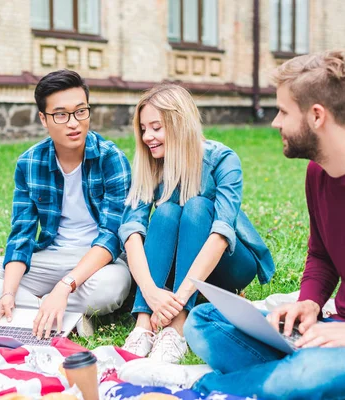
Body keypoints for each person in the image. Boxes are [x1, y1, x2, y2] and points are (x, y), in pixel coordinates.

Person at [118, 52, 345, 400]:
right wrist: (310, 303)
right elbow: (321, 255)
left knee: (305, 374)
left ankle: (194, 387)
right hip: (339, 331)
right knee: (205, 321)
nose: (275, 122)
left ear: (316, 116)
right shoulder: (320, 172)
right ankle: (282, 375)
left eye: (283, 111)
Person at [0, 70, 132, 336]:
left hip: (99, 260)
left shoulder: (110, 158)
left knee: (115, 285)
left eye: (81, 111)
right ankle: (58, 315)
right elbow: (21, 235)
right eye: (61, 115)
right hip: (51, 257)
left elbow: (111, 237)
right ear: (44, 119)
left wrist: (64, 286)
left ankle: (41, 307)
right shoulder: (30, 163)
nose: (73, 123)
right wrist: (8, 292)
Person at [119, 84, 275, 363]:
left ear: (180, 123)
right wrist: (153, 295)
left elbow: (221, 235)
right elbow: (131, 232)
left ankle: (177, 330)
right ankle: (143, 326)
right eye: (143, 128)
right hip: (177, 265)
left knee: (198, 206)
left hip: (228, 265)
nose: (147, 137)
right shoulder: (149, 165)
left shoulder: (222, 159)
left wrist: (177, 299)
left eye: (156, 127)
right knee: (166, 211)